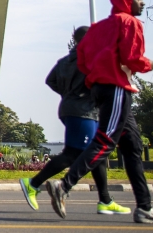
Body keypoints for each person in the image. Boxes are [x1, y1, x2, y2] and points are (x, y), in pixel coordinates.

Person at [44, 0, 153, 224]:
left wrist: (96, 74)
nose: (143, 3)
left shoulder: (99, 28)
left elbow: (82, 57)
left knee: (133, 146)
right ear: (127, 0)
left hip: (103, 89)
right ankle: (64, 185)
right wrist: (148, 65)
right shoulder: (130, 23)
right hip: (116, 88)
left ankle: (144, 206)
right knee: (105, 142)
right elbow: (132, 57)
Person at [19, 26, 129, 215]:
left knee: (97, 154)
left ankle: (105, 200)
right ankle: (33, 183)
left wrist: (67, 94)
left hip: (75, 109)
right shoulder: (89, 59)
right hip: (83, 112)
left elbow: (50, 80)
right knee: (73, 153)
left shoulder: (64, 61)